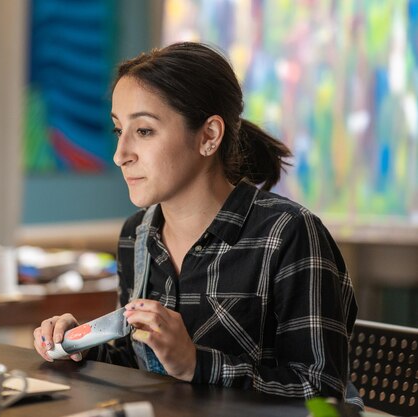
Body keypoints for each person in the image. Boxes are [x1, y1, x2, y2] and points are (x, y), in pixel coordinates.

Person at [33, 42, 359, 403]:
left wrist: (195, 364)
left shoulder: (289, 233)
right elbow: (140, 363)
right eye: (118, 131)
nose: (120, 155)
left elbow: (322, 394)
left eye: (143, 131)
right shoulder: (136, 237)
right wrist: (79, 345)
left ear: (208, 136)